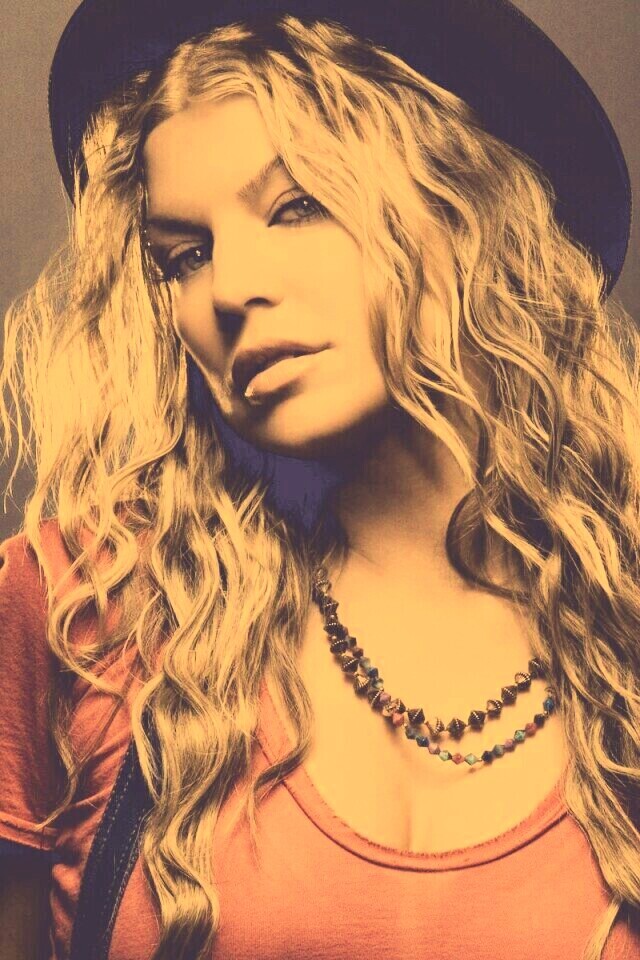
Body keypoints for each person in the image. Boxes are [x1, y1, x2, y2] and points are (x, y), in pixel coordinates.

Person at [0, 1, 638, 958]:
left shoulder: (621, 624)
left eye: (296, 206)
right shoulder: (82, 609)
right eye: (185, 256)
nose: (228, 288)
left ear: (461, 211)